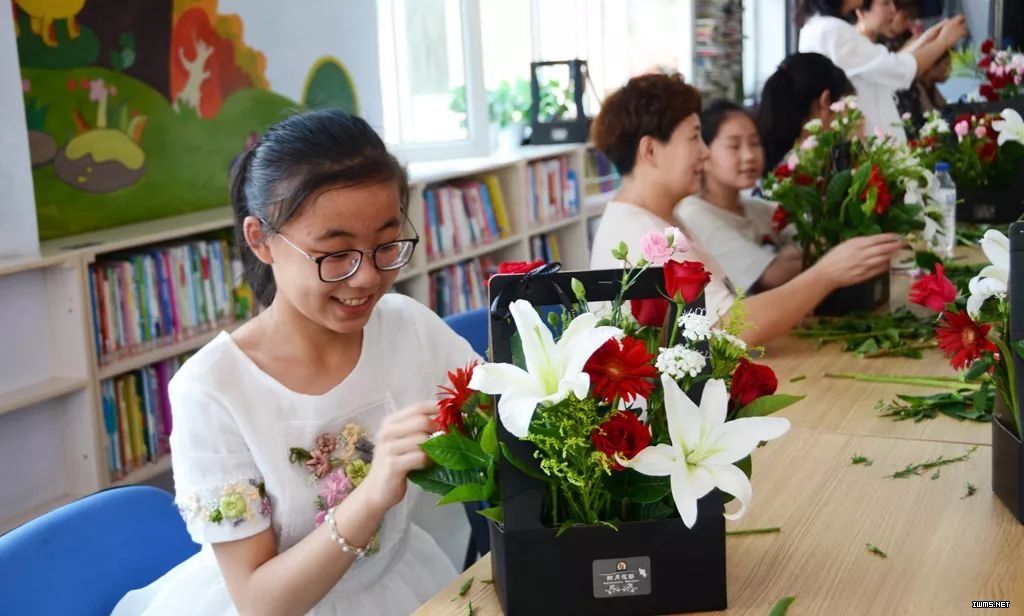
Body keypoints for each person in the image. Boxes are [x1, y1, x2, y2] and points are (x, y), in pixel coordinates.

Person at [112, 109, 476, 616]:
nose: (367, 277)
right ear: (260, 240)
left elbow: (498, 416)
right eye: (336, 253)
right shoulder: (212, 390)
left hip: (400, 586)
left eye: (386, 245)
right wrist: (371, 495)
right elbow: (260, 602)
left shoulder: (407, 326)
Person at [589, 73, 904, 345]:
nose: (704, 152)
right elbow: (728, 326)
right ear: (650, 149)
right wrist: (826, 274)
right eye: (695, 138)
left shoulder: (655, 218)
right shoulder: (644, 236)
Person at [678, 100, 802, 294]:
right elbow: (772, 277)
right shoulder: (694, 214)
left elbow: (806, 236)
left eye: (754, 143)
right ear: (703, 154)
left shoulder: (757, 208)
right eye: (734, 146)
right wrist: (791, 254)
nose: (749, 156)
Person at [798, 0, 967, 139]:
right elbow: (897, 69)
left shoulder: (826, 28)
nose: (892, 11)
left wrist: (927, 39)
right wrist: (942, 42)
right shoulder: (832, 31)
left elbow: (887, 64)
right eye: (885, 3)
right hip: (867, 139)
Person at [757, 52, 855, 173]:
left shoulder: (763, 160)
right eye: (842, 106)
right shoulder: (809, 173)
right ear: (826, 101)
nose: (849, 116)